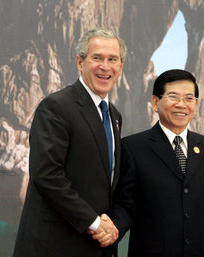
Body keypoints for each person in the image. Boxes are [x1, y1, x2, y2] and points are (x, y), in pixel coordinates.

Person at [13, 28, 126, 257]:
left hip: (95, 248)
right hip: (55, 247)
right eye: (97, 58)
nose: (105, 67)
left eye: (112, 59)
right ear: (80, 62)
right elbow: (47, 175)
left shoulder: (114, 116)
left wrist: (111, 226)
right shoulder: (56, 107)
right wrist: (95, 223)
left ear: (120, 66)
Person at [99, 69, 204, 256]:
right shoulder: (133, 148)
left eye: (188, 98)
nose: (181, 105)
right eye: (173, 97)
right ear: (155, 102)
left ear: (196, 104)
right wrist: (110, 229)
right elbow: (126, 205)